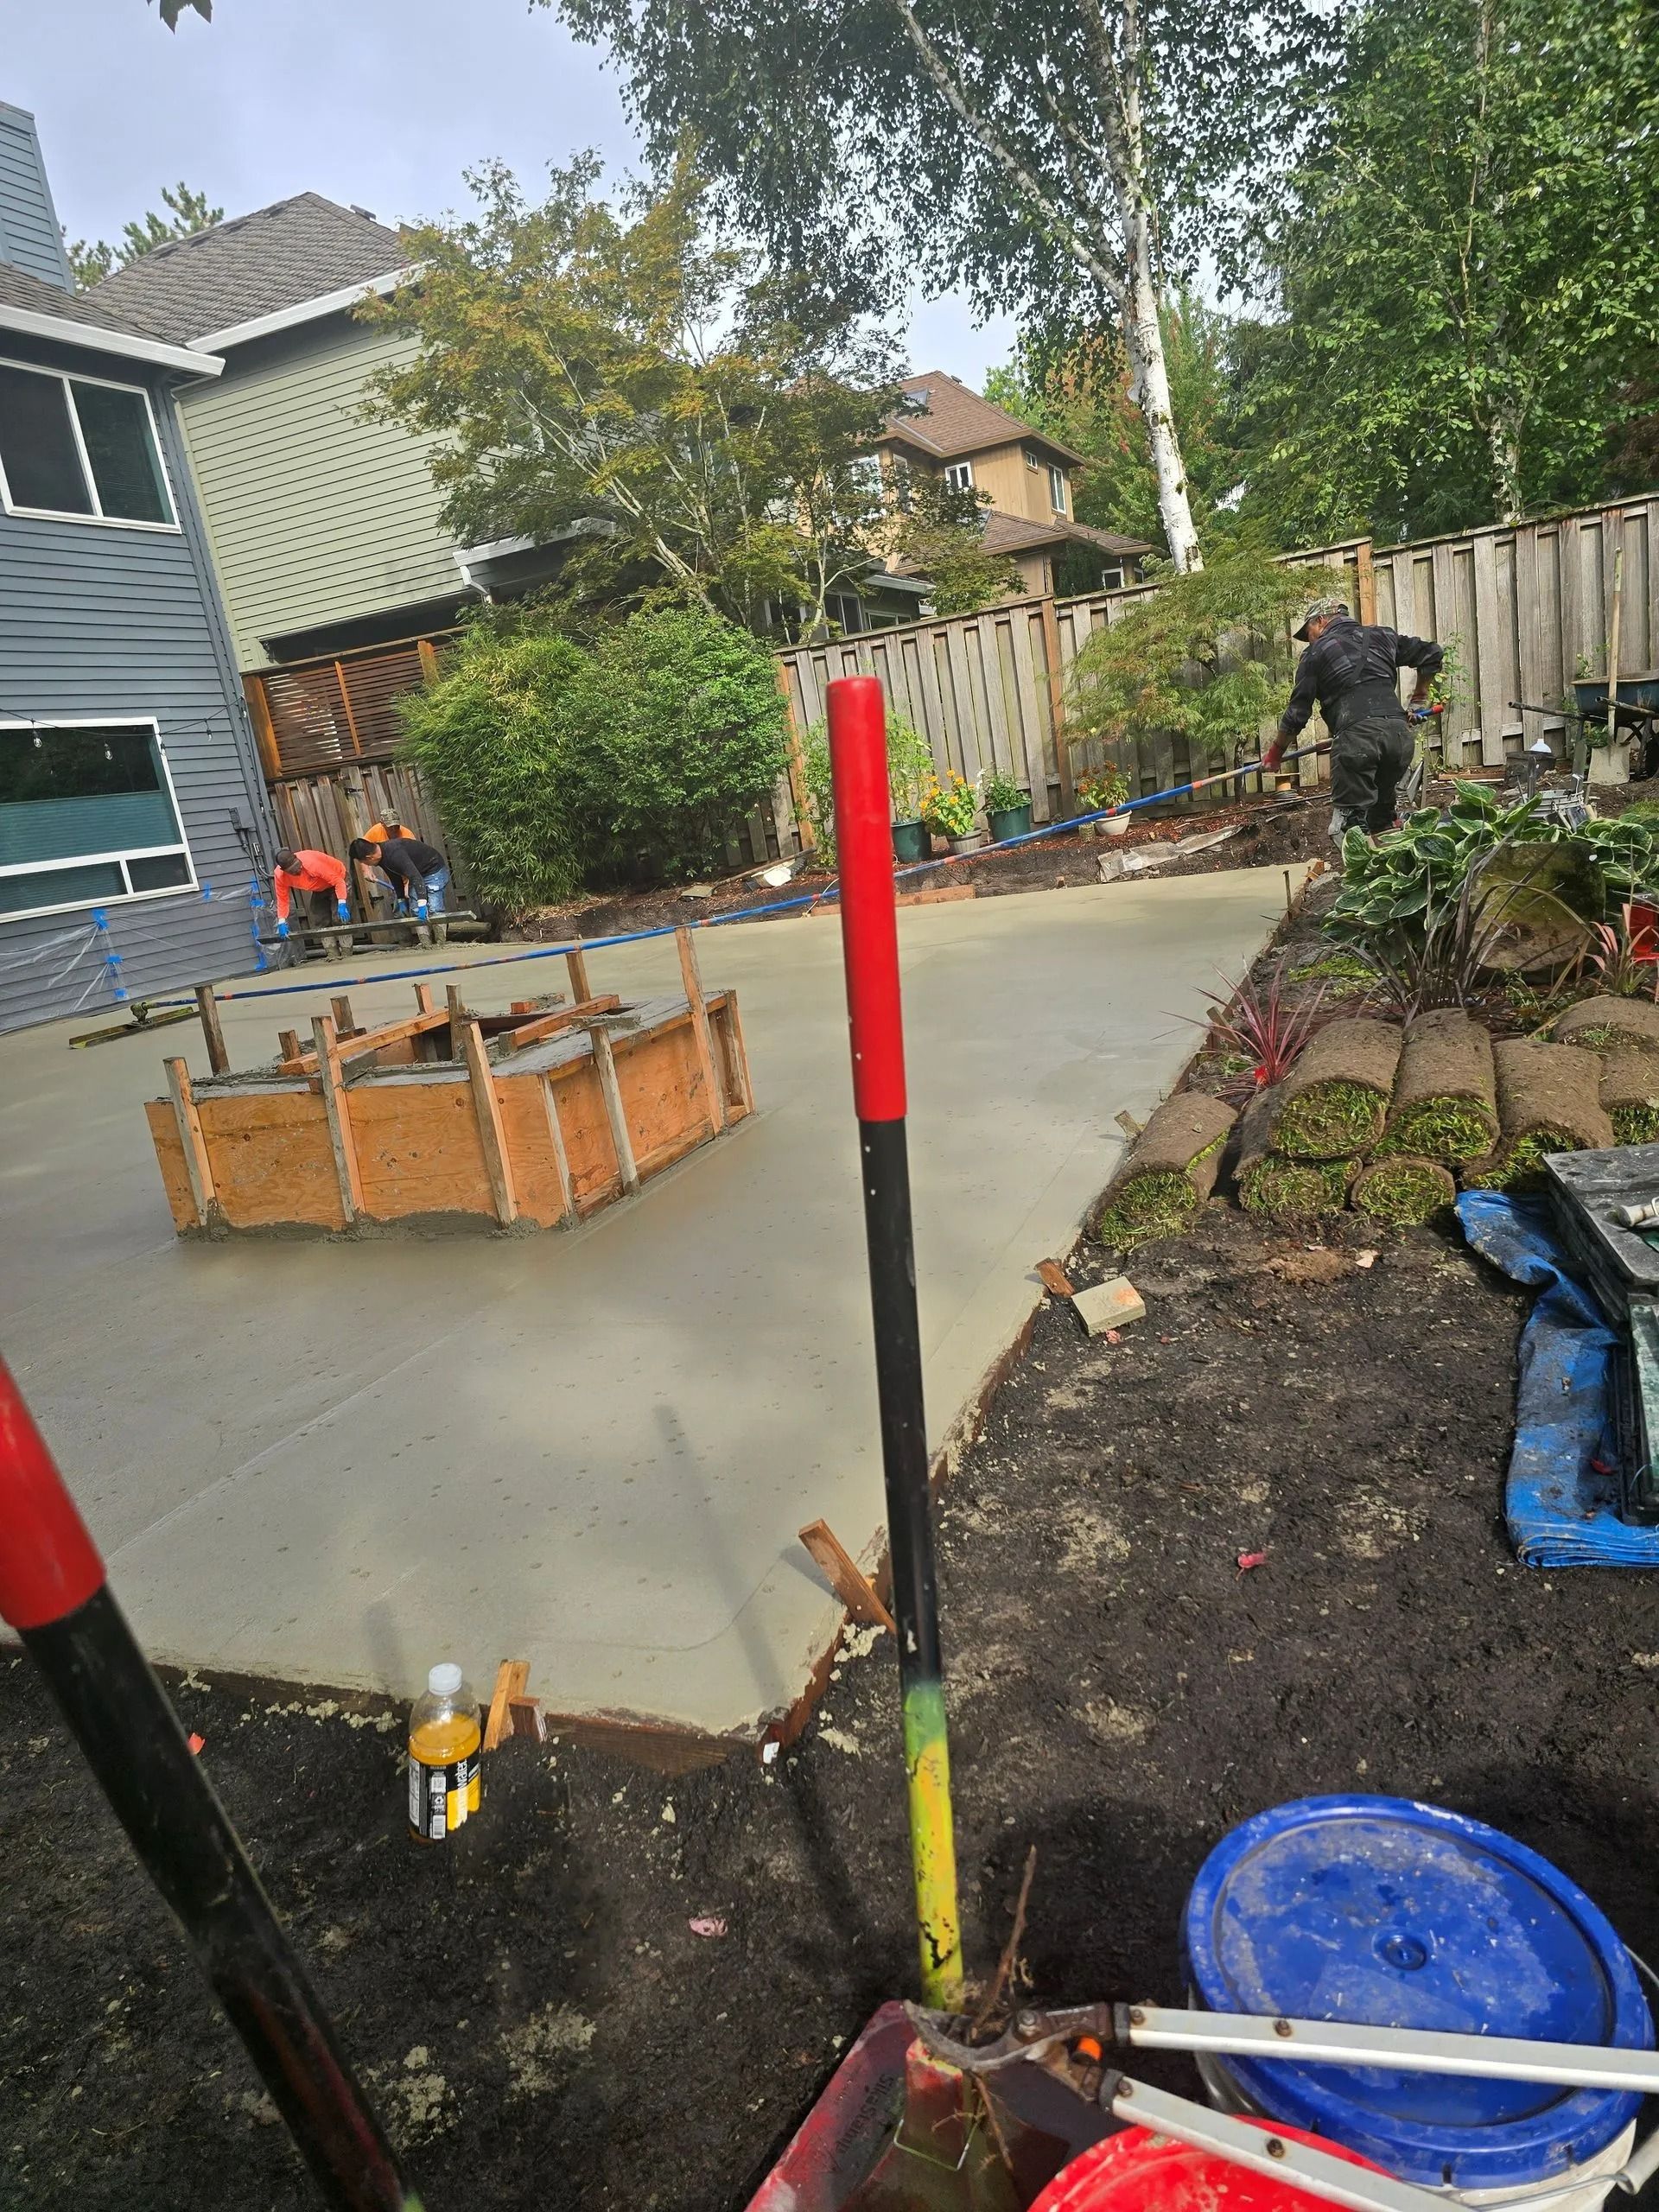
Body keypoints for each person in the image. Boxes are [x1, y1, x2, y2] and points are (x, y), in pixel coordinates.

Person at [1264, 595, 1445, 845]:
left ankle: (1360, 880)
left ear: (1320, 620)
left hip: (1357, 742)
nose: (1309, 640)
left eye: (1309, 632)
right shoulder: (1382, 636)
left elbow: (1297, 713)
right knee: (1381, 820)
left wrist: (1275, 753)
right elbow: (1432, 654)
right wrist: (1419, 698)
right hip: (1399, 738)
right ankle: (1390, 878)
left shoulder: (1315, 653)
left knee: (1348, 830)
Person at [348, 834, 451, 917]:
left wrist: (422, 902)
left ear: (369, 857)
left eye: (363, 862)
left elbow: (415, 876)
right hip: (418, 873)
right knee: (415, 911)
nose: (366, 865)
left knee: (434, 910)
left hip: (433, 869)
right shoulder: (381, 857)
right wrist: (401, 899)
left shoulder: (395, 853)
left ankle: (440, 941)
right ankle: (426, 942)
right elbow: (395, 877)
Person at [271, 847, 350, 941]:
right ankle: (332, 953)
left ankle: (347, 951)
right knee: (320, 919)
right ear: (284, 871)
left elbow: (338, 881)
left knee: (339, 918)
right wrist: (281, 921)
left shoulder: (312, 864)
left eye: (298, 866)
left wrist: (342, 903)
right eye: (293, 871)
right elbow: (283, 900)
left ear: (297, 859)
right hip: (320, 887)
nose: (298, 870)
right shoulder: (280, 876)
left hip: (340, 878)